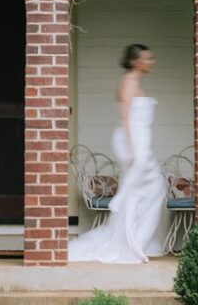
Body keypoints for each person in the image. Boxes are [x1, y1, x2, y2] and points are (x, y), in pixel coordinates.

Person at [68, 43, 165, 262]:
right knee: (142, 191)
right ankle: (129, 243)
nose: (151, 62)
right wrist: (133, 150)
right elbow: (127, 118)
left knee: (150, 191)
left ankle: (138, 240)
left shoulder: (135, 81)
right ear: (134, 61)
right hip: (133, 142)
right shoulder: (129, 83)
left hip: (140, 141)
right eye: (147, 58)